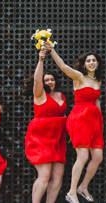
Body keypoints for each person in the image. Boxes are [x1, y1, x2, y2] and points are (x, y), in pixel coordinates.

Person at [48, 43, 104, 203]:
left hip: (94, 121)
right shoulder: (79, 77)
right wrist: (51, 50)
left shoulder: (97, 80)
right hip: (80, 119)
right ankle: (71, 192)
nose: (92, 63)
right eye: (88, 61)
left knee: (98, 157)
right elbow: (63, 66)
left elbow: (97, 101)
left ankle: (83, 187)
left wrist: (101, 123)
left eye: (94, 60)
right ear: (84, 64)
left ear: (97, 63)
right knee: (83, 155)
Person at [25, 46, 67, 203]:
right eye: (46, 80)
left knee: (57, 176)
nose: (49, 81)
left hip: (58, 137)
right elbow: (37, 79)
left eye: (52, 79)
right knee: (44, 175)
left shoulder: (61, 95)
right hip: (41, 137)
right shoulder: (39, 94)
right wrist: (41, 59)